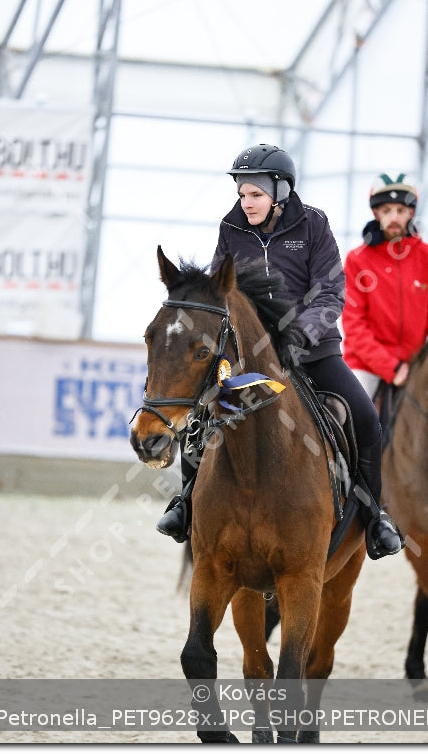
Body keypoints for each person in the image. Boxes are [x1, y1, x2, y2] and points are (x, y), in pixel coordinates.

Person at [157, 143, 404, 558]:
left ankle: (375, 515)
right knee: (201, 413)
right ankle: (186, 501)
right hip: (251, 357)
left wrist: (300, 335)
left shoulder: (313, 225)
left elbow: (330, 291)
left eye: (255, 194)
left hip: (314, 351)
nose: (246, 203)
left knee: (365, 418)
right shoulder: (231, 228)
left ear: (281, 191)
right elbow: (223, 293)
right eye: (242, 195)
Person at [342, 172, 428, 529]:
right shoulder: (357, 261)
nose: (394, 216)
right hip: (369, 365)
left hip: (423, 364)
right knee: (348, 419)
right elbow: (354, 327)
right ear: (376, 213)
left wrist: (425, 363)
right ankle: (348, 493)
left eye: (401, 210)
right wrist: (392, 367)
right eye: (386, 209)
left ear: (411, 214)